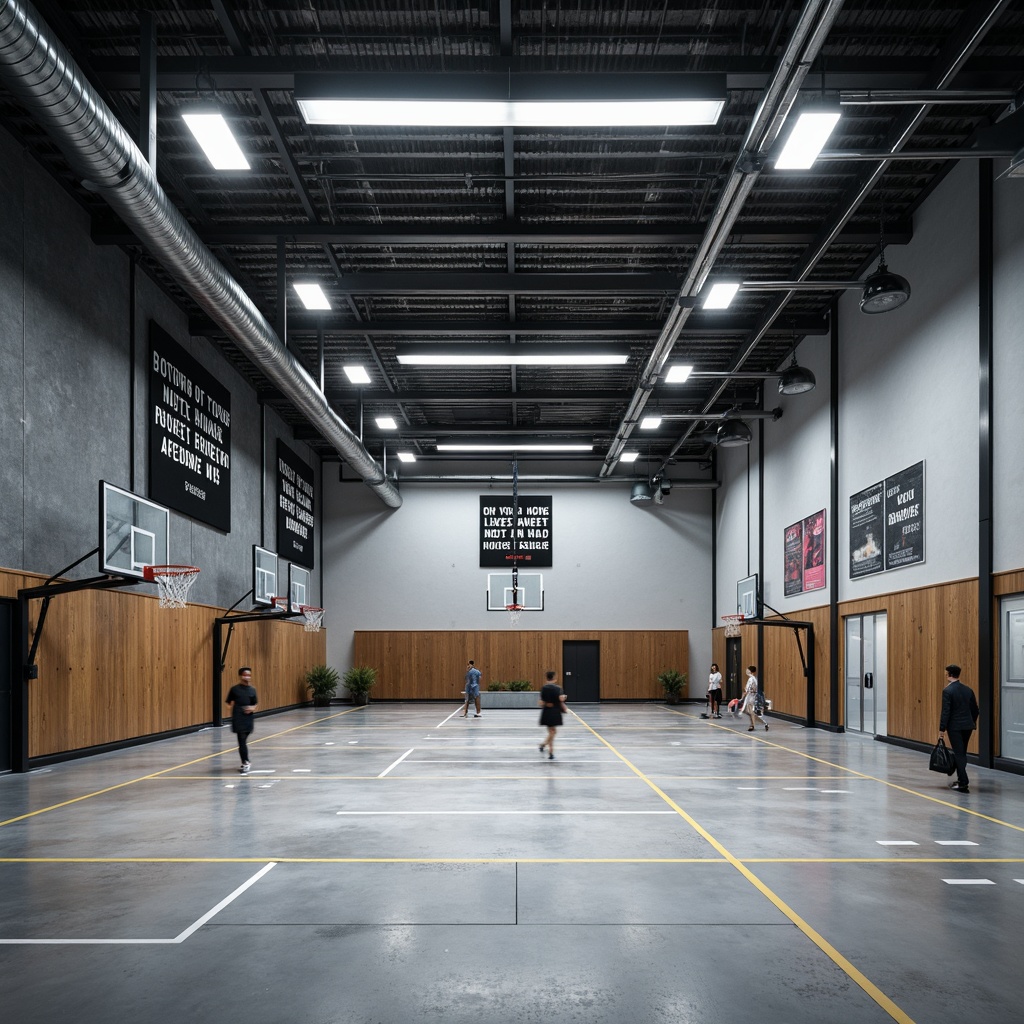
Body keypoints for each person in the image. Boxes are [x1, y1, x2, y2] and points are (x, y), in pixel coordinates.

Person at [939, 663, 979, 793]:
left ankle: (963, 782)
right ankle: (960, 778)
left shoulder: (947, 691)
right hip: (967, 726)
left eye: (946, 673)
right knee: (962, 753)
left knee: (959, 753)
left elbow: (946, 712)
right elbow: (975, 710)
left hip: (955, 727)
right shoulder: (968, 690)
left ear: (949, 674)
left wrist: (942, 729)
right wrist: (971, 722)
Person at [226, 666, 259, 774]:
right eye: (245, 674)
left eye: (249, 675)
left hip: (248, 719)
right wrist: (236, 711)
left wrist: (251, 709)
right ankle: (246, 762)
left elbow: (255, 704)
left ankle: (245, 760)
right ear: (241, 676)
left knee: (243, 741)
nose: (247, 677)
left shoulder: (252, 690)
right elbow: (228, 703)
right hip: (238, 719)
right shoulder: (234, 689)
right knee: (241, 740)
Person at [538, 670, 567, 760]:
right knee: (552, 732)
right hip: (555, 711)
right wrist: (564, 700)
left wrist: (547, 704)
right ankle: (550, 751)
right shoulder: (558, 688)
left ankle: (544, 745)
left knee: (551, 731)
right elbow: (561, 699)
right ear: (554, 678)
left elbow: (541, 703)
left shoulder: (543, 688)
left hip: (546, 711)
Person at [740, 665, 768, 732]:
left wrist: (742, 697)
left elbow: (748, 689)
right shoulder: (753, 679)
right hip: (751, 695)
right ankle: (764, 723)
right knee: (748, 711)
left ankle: (752, 725)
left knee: (751, 712)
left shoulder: (751, 679)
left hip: (751, 696)